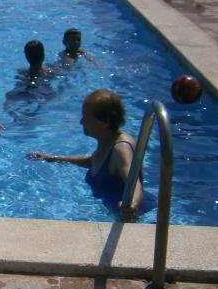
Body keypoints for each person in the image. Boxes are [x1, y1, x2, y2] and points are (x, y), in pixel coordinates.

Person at [26, 89, 143, 221]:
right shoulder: (108, 139)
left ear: (104, 122)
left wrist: (131, 205)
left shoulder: (121, 148)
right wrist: (52, 158)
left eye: (86, 118)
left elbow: (134, 183)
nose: (81, 122)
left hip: (137, 217)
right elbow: (94, 162)